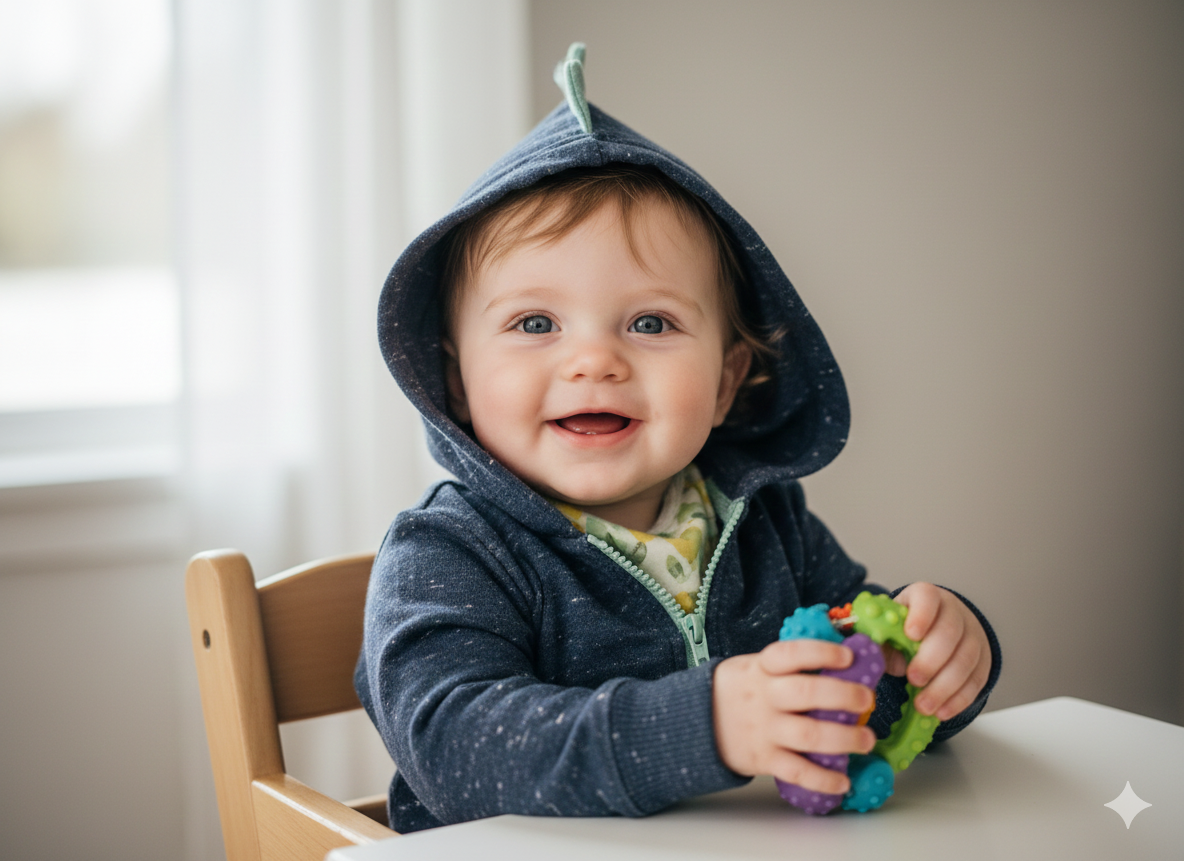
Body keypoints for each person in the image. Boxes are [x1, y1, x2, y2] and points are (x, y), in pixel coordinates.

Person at [356, 45, 1001, 833]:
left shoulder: (766, 520)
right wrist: (708, 726)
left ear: (727, 380)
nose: (595, 360)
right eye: (534, 324)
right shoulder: (449, 553)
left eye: (650, 322)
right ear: (455, 381)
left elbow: (858, 686)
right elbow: (456, 750)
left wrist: (940, 658)